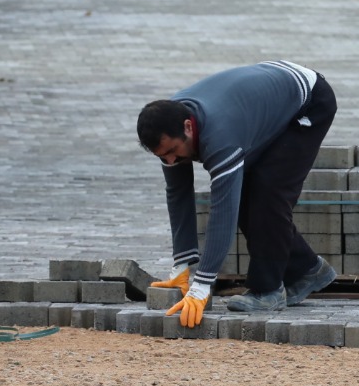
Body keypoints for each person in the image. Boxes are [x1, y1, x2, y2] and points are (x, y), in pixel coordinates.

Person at [136, 60, 338, 328]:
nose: (171, 161)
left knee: (267, 193)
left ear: (188, 126)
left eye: (173, 151)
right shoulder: (168, 130)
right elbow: (178, 194)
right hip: (263, 101)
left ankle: (268, 291)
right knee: (247, 193)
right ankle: (307, 269)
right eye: (163, 156)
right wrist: (182, 265)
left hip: (309, 101)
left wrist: (202, 285)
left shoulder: (220, 135)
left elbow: (223, 211)